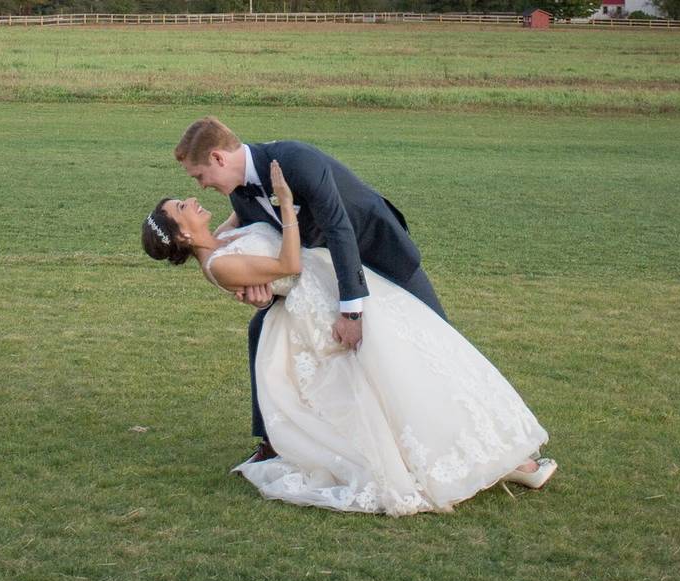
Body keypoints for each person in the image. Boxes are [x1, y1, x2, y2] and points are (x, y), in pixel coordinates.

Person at [141, 161, 557, 516]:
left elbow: (246, 219)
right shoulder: (219, 265)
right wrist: (286, 203)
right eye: (181, 207)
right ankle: (482, 460)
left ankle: (499, 455)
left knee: (417, 366)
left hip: (331, 292)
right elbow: (287, 262)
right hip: (320, 312)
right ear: (182, 236)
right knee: (397, 380)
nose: (190, 199)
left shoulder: (221, 240)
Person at [174, 116, 447, 465]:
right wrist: (264, 292)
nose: (201, 186)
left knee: (437, 336)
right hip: (323, 272)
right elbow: (272, 250)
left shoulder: (295, 160)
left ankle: (475, 430)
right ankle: (273, 441)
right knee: (262, 328)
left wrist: (351, 312)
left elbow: (337, 226)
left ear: (218, 158)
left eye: (200, 175)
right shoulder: (240, 197)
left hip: (377, 249)